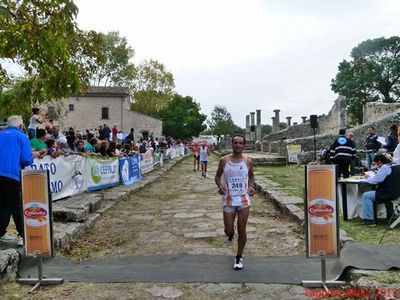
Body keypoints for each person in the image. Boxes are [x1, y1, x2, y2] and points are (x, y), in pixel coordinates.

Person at [214, 134, 256, 270]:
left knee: (243, 229)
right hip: (228, 200)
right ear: (231, 144)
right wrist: (220, 186)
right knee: (228, 230)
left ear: (244, 145)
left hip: (243, 200)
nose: (238, 145)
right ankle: (231, 234)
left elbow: (251, 177)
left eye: (240, 143)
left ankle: (239, 257)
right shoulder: (224, 161)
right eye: (235, 143)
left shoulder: (248, 161)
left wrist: (251, 187)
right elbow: (217, 176)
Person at [0, 115, 33, 246]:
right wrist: (33, 157)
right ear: (20, 126)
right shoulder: (22, 136)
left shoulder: (1, 134)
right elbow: (26, 159)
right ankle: (23, 235)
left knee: (3, 205)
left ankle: (1, 233)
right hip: (11, 174)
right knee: (17, 206)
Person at [361, 154, 394, 226]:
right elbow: (379, 177)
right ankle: (390, 216)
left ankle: (370, 220)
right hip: (392, 191)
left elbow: (376, 180)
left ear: (379, 162)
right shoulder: (389, 166)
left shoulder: (384, 168)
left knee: (366, 195)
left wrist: (367, 178)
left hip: (386, 193)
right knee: (370, 195)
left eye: (375, 163)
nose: (375, 165)